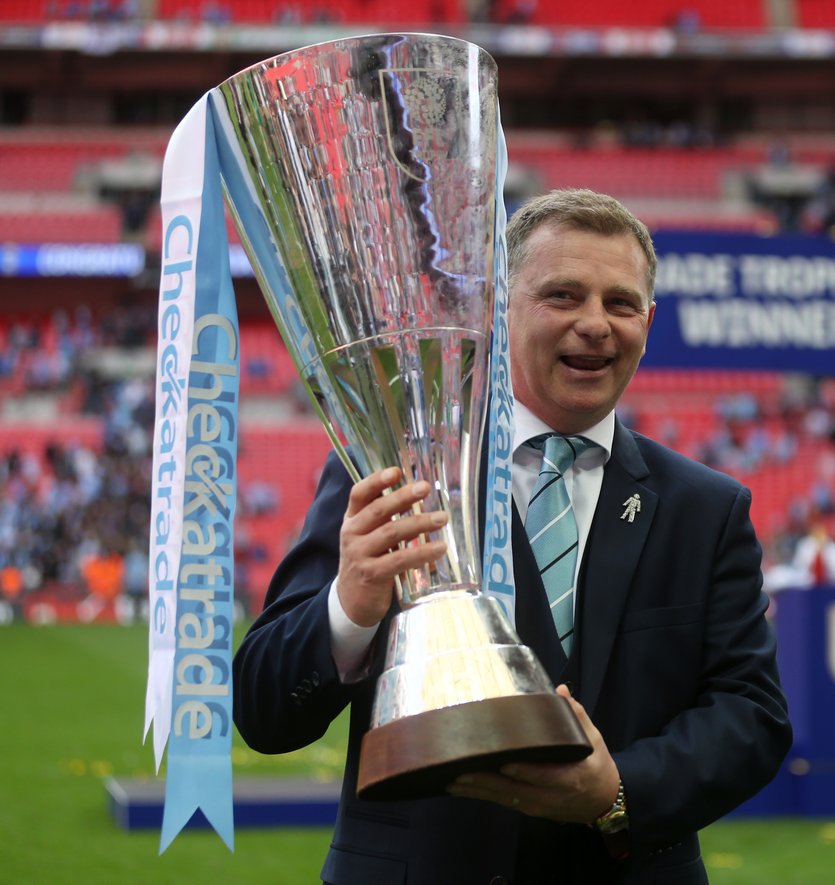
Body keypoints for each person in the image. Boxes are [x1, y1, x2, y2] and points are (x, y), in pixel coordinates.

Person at [233, 188, 792, 884]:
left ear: (648, 323)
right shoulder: (393, 467)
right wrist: (348, 608)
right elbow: (264, 711)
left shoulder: (706, 509)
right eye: (563, 295)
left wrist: (617, 791)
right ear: (497, 309)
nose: (596, 324)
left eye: (621, 304)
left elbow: (752, 715)